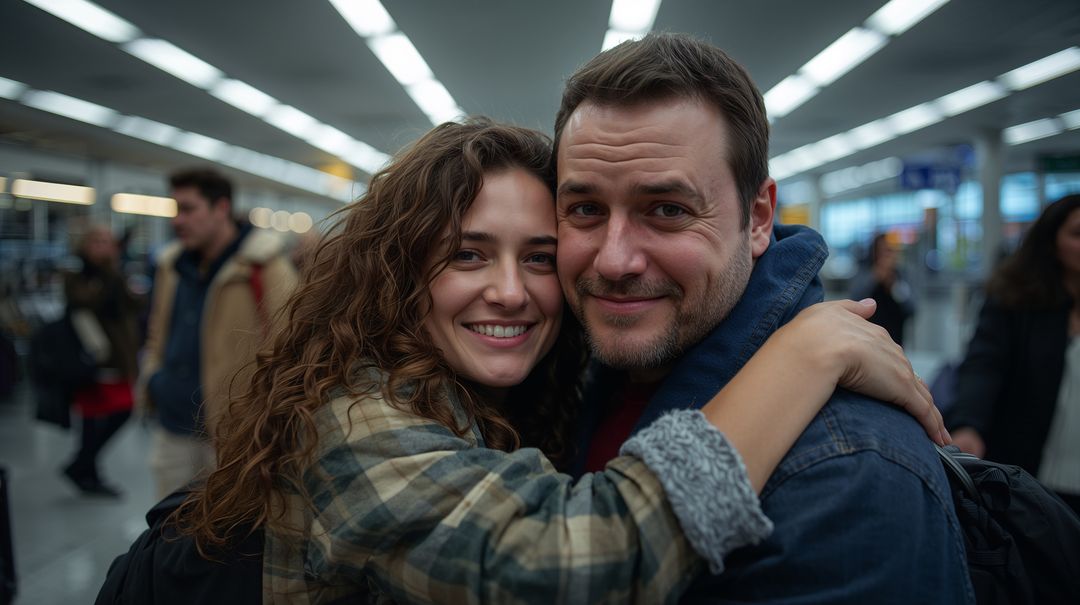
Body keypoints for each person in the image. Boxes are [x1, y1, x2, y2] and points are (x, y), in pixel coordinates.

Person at [162, 119, 945, 604]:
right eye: (467, 254)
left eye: (539, 257)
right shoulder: (357, 416)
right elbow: (576, 568)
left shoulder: (522, 394)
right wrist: (803, 351)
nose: (511, 292)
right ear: (398, 273)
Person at [552, 34, 972, 603]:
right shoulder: (564, 379)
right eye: (584, 209)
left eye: (668, 210)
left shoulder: (848, 473)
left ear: (757, 219)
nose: (614, 259)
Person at [139, 168, 297, 499]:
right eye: (175, 209)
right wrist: (154, 379)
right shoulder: (172, 267)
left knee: (225, 539)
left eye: (188, 209)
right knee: (168, 536)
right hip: (173, 428)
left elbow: (291, 349)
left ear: (221, 208)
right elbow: (157, 333)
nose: (178, 221)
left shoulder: (264, 268)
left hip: (232, 438)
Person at [949, 194, 1080, 516]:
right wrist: (968, 424)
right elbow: (984, 365)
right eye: (1078, 234)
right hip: (1030, 476)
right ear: (1051, 243)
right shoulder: (1015, 301)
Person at [61, 225, 141, 497]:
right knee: (104, 415)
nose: (105, 247)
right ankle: (84, 467)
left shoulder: (115, 273)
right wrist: (109, 273)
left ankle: (85, 469)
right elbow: (85, 301)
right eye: (97, 241)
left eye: (108, 241)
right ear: (84, 245)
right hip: (94, 361)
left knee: (100, 418)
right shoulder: (76, 275)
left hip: (118, 358)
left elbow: (133, 304)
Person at [850, 233, 915, 345]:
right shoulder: (864, 272)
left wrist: (893, 285)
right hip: (867, 339)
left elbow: (912, 308)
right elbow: (854, 300)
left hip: (895, 339)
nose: (887, 257)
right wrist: (875, 277)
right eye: (883, 251)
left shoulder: (903, 274)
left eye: (890, 251)